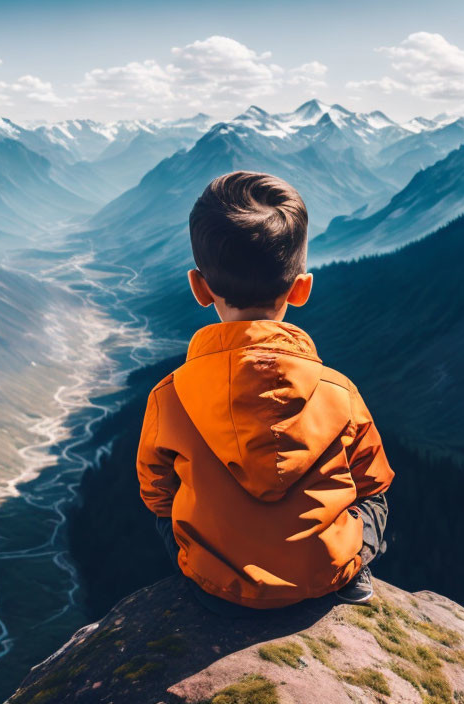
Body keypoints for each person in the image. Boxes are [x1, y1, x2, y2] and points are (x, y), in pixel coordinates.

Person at [135, 171, 394, 616]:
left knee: (169, 506)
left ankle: (212, 575)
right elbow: (373, 481)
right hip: (323, 571)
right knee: (375, 503)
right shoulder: (340, 392)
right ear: (301, 289)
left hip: (215, 580)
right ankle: (351, 570)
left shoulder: (169, 396)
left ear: (199, 287)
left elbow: (157, 492)